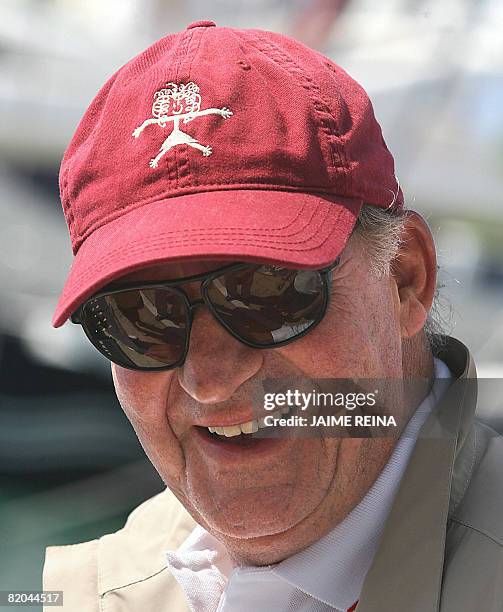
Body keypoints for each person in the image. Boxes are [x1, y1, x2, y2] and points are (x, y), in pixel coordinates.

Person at [43, 20, 503, 612]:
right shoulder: (91, 592)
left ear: (404, 280)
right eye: (142, 317)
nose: (209, 378)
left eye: (267, 294)